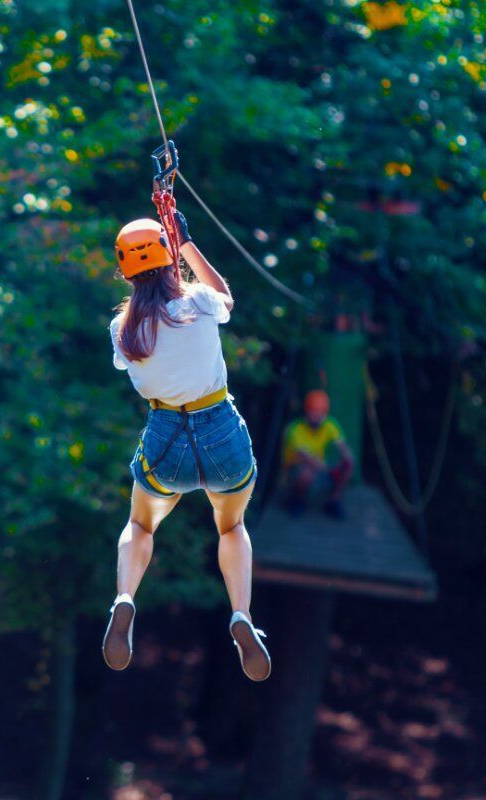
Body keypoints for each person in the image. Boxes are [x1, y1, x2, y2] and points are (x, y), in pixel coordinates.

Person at [101, 211, 271, 682]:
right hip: (221, 432)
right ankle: (241, 614)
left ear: (125, 270)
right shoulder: (197, 302)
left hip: (165, 440)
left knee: (140, 522)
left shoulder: (122, 330)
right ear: (168, 255)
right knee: (232, 525)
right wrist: (187, 244)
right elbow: (226, 298)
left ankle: (125, 598)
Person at [282, 389, 355, 519]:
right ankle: (297, 500)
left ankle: (334, 501)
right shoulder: (295, 429)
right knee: (307, 472)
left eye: (320, 413)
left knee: (348, 464)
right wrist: (329, 470)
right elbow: (306, 458)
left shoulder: (329, 425)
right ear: (306, 411)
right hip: (296, 472)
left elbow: (343, 447)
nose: (316, 416)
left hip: (320, 468)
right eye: (313, 412)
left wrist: (346, 459)